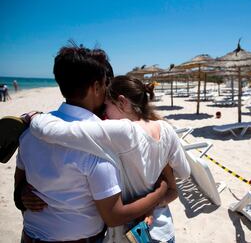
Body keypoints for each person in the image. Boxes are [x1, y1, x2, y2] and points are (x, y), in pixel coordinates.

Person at [15, 45, 169, 242]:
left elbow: (19, 180)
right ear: (96, 87)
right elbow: (114, 215)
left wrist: (20, 194)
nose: (108, 91)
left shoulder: (30, 131)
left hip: (29, 235)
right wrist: (161, 192)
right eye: (106, 84)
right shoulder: (99, 144)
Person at [29, 75, 191, 243]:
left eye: (107, 104)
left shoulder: (124, 131)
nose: (105, 112)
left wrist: (34, 117)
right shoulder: (165, 128)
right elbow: (184, 173)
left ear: (122, 102)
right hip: (164, 230)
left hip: (132, 235)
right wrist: (159, 190)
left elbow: (55, 132)